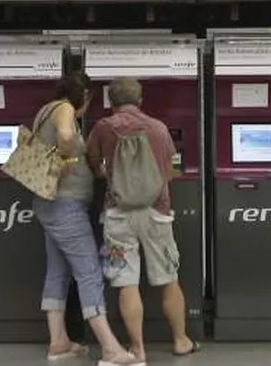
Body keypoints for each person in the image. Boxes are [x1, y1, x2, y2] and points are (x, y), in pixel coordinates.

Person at [86, 77, 199, 362]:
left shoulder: (103, 127)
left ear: (110, 101)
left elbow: (92, 159)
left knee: (127, 283)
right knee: (169, 278)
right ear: (140, 100)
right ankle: (181, 340)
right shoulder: (158, 128)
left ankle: (137, 349)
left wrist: (105, 174)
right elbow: (170, 169)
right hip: (157, 213)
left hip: (117, 215)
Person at [31, 73, 139, 366]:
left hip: (49, 204)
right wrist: (65, 160)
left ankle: (58, 342)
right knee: (89, 272)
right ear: (85, 96)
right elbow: (66, 136)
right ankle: (110, 348)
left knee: (58, 271)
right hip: (65, 207)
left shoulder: (44, 111)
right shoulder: (64, 108)